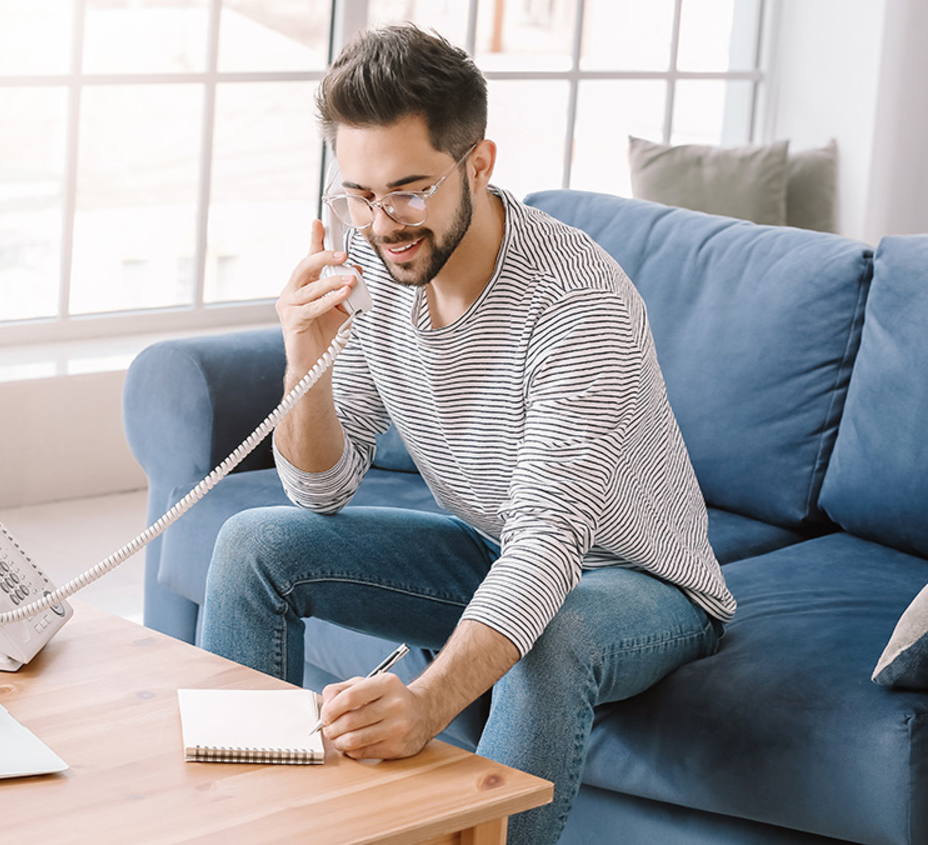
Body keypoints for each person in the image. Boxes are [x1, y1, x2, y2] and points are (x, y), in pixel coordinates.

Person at [199, 23, 735, 844]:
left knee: (550, 631)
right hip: (491, 547)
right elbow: (321, 487)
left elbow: (546, 548)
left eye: (409, 189)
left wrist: (425, 704)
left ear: (478, 165)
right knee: (253, 544)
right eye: (361, 195)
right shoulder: (376, 266)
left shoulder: (575, 303)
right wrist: (305, 355)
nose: (384, 223)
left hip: (645, 582)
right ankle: (241, 827)